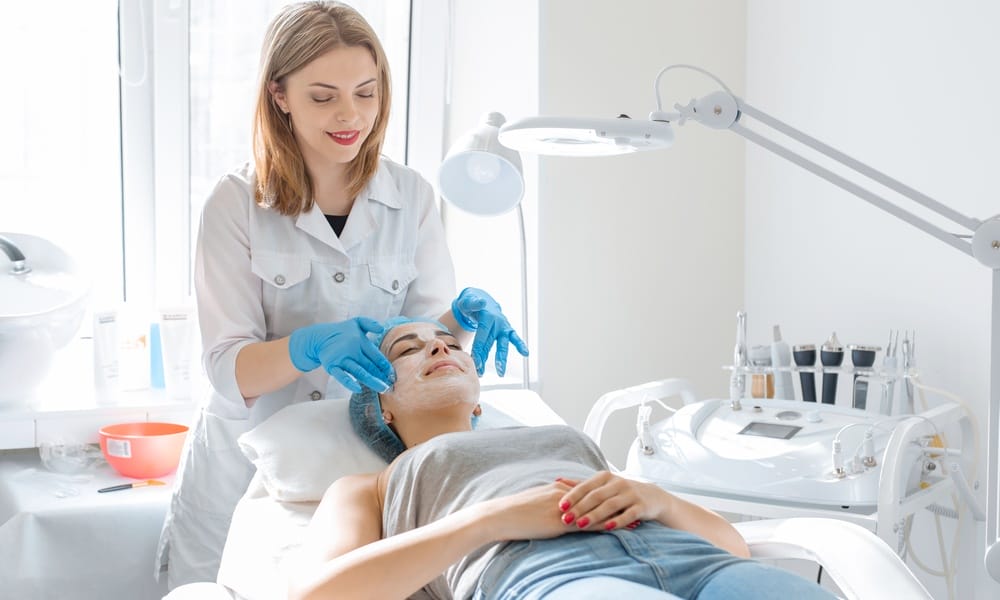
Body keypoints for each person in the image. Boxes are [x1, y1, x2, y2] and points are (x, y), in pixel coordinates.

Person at [157, 1, 528, 589]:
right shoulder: (234, 203)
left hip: (360, 459)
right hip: (244, 459)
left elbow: (423, 342)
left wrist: (455, 319)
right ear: (279, 95)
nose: (350, 115)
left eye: (366, 92)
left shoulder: (412, 196)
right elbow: (228, 367)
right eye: (323, 96)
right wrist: (304, 347)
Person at [287, 319, 839, 600]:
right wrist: (494, 519)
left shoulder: (556, 437)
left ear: (479, 399)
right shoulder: (371, 485)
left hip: (699, 560)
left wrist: (658, 498)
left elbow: (733, 548)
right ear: (380, 408)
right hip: (548, 575)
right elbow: (319, 594)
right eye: (408, 349)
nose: (440, 348)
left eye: (450, 343)